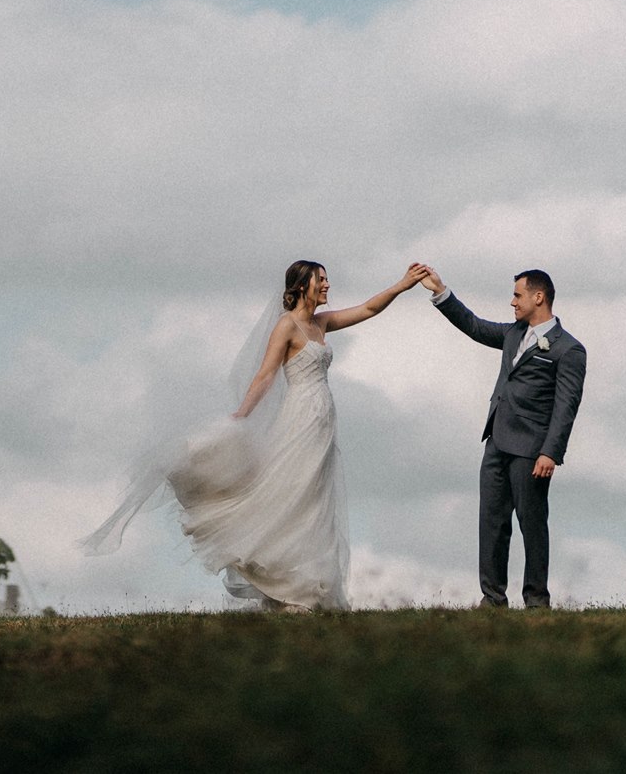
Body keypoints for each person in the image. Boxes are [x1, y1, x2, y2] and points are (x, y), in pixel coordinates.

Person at [85, 260, 428, 611]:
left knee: (315, 505)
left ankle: (309, 588)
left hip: (324, 424)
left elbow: (369, 308)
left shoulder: (321, 323)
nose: (326, 285)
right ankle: (284, 585)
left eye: (326, 280)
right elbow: (265, 375)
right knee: (291, 498)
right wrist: (241, 416)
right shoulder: (287, 326)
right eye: (321, 280)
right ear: (302, 286)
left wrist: (402, 285)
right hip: (300, 422)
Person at [417, 264, 586, 609]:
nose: (512, 302)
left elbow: (566, 406)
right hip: (495, 441)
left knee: (532, 525)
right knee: (492, 523)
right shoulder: (512, 334)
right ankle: (492, 599)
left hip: (532, 450)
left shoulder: (569, 350)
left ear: (538, 297)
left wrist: (550, 452)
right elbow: (475, 326)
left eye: (517, 295)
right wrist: (440, 291)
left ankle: (537, 601)